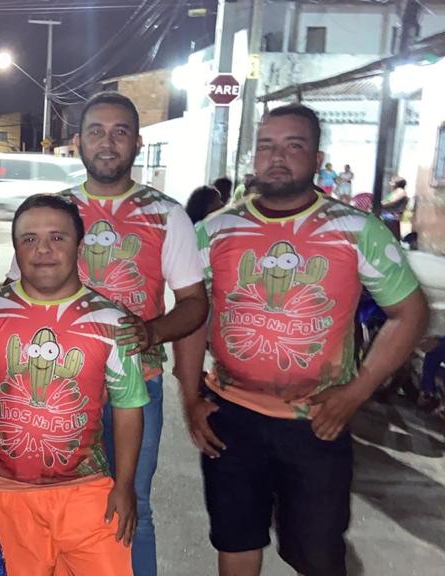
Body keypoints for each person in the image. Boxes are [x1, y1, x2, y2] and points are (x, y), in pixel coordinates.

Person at [180, 104, 428, 576]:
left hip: (316, 422)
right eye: (266, 146)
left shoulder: (356, 231)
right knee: (235, 539)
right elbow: (192, 317)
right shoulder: (215, 231)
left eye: (293, 146)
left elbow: (410, 314)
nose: (277, 157)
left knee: (316, 555)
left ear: (317, 159)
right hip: (231, 416)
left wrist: (356, 393)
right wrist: (190, 397)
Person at [0, 91, 207, 576]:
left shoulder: (166, 214)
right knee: (55, 507)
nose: (107, 143)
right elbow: (14, 293)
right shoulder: (55, 210)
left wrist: (151, 331)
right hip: (59, 391)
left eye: (119, 132)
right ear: (78, 142)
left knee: (133, 506)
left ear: (137, 143)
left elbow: (195, 304)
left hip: (136, 388)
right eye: (96, 132)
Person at [0, 193, 146, 575]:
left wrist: (125, 486)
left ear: (79, 246)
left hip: (89, 494)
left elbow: (128, 407)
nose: (43, 250)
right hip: (2, 493)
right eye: (29, 239)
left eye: (57, 237)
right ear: (15, 248)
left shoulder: (114, 322)